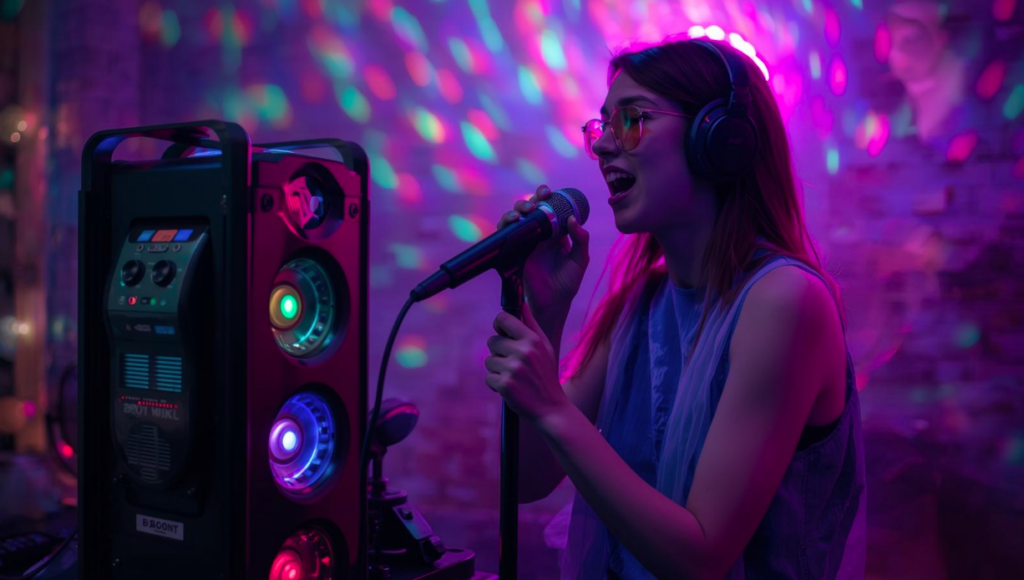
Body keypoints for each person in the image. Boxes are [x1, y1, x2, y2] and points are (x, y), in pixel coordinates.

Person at [483, 37, 865, 580]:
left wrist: (552, 405)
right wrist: (544, 311)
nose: (604, 146)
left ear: (720, 139)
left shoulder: (785, 301)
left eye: (632, 120)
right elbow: (526, 479)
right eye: (602, 126)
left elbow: (700, 558)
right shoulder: (643, 301)